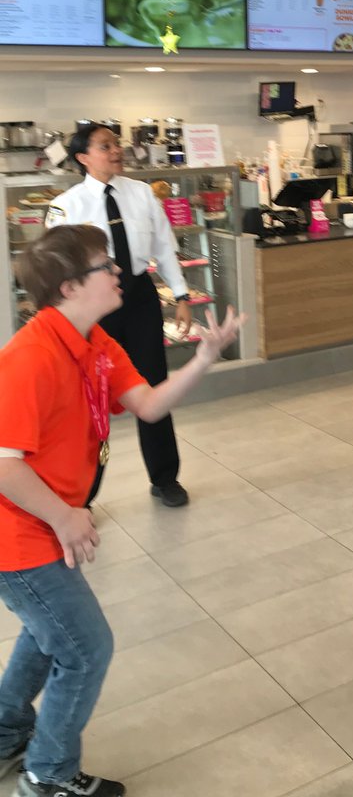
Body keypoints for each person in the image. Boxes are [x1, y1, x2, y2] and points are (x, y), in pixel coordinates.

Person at [0, 224, 243, 796]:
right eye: (104, 267)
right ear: (68, 287)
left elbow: (150, 405)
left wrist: (205, 356)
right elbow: (4, 466)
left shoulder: (94, 343)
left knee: (48, 633)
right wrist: (64, 515)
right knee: (86, 649)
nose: (118, 273)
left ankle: (7, 732)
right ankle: (47, 775)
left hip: (45, 519)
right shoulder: (28, 358)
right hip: (16, 531)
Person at [45, 124, 192, 507]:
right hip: (93, 308)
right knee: (89, 401)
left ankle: (165, 477)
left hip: (141, 299)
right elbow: (56, 271)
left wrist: (181, 294)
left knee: (153, 385)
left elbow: (163, 246)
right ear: (82, 157)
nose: (116, 150)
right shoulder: (68, 205)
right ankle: (83, 492)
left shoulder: (141, 193)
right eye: (105, 145)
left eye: (116, 144)